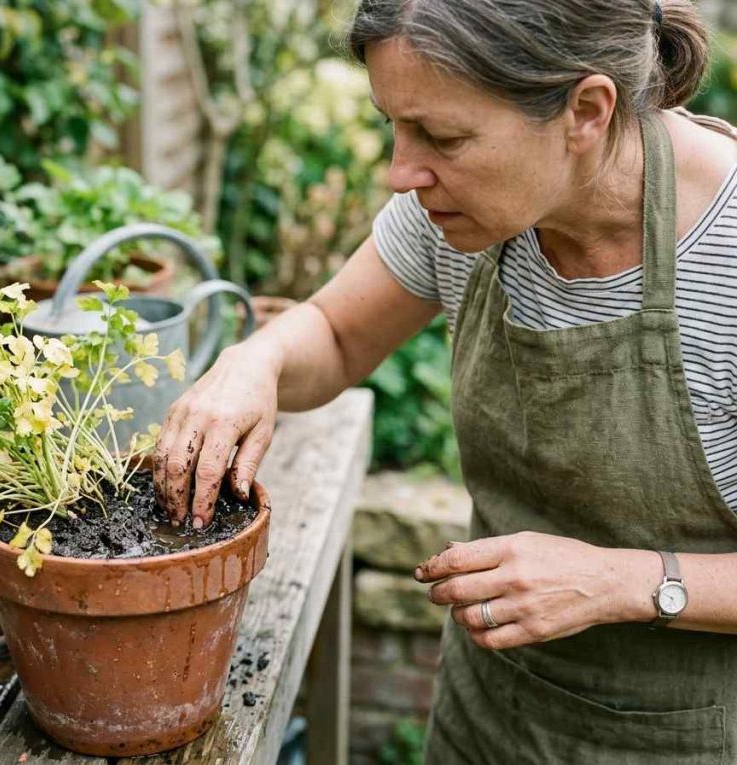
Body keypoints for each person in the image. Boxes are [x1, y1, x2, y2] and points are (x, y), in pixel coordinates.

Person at [152, 0, 737, 761]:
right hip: (484, 712)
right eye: (394, 124)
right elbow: (333, 332)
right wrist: (252, 362)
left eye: (443, 136)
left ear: (587, 111)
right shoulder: (457, 212)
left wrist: (620, 580)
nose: (401, 172)